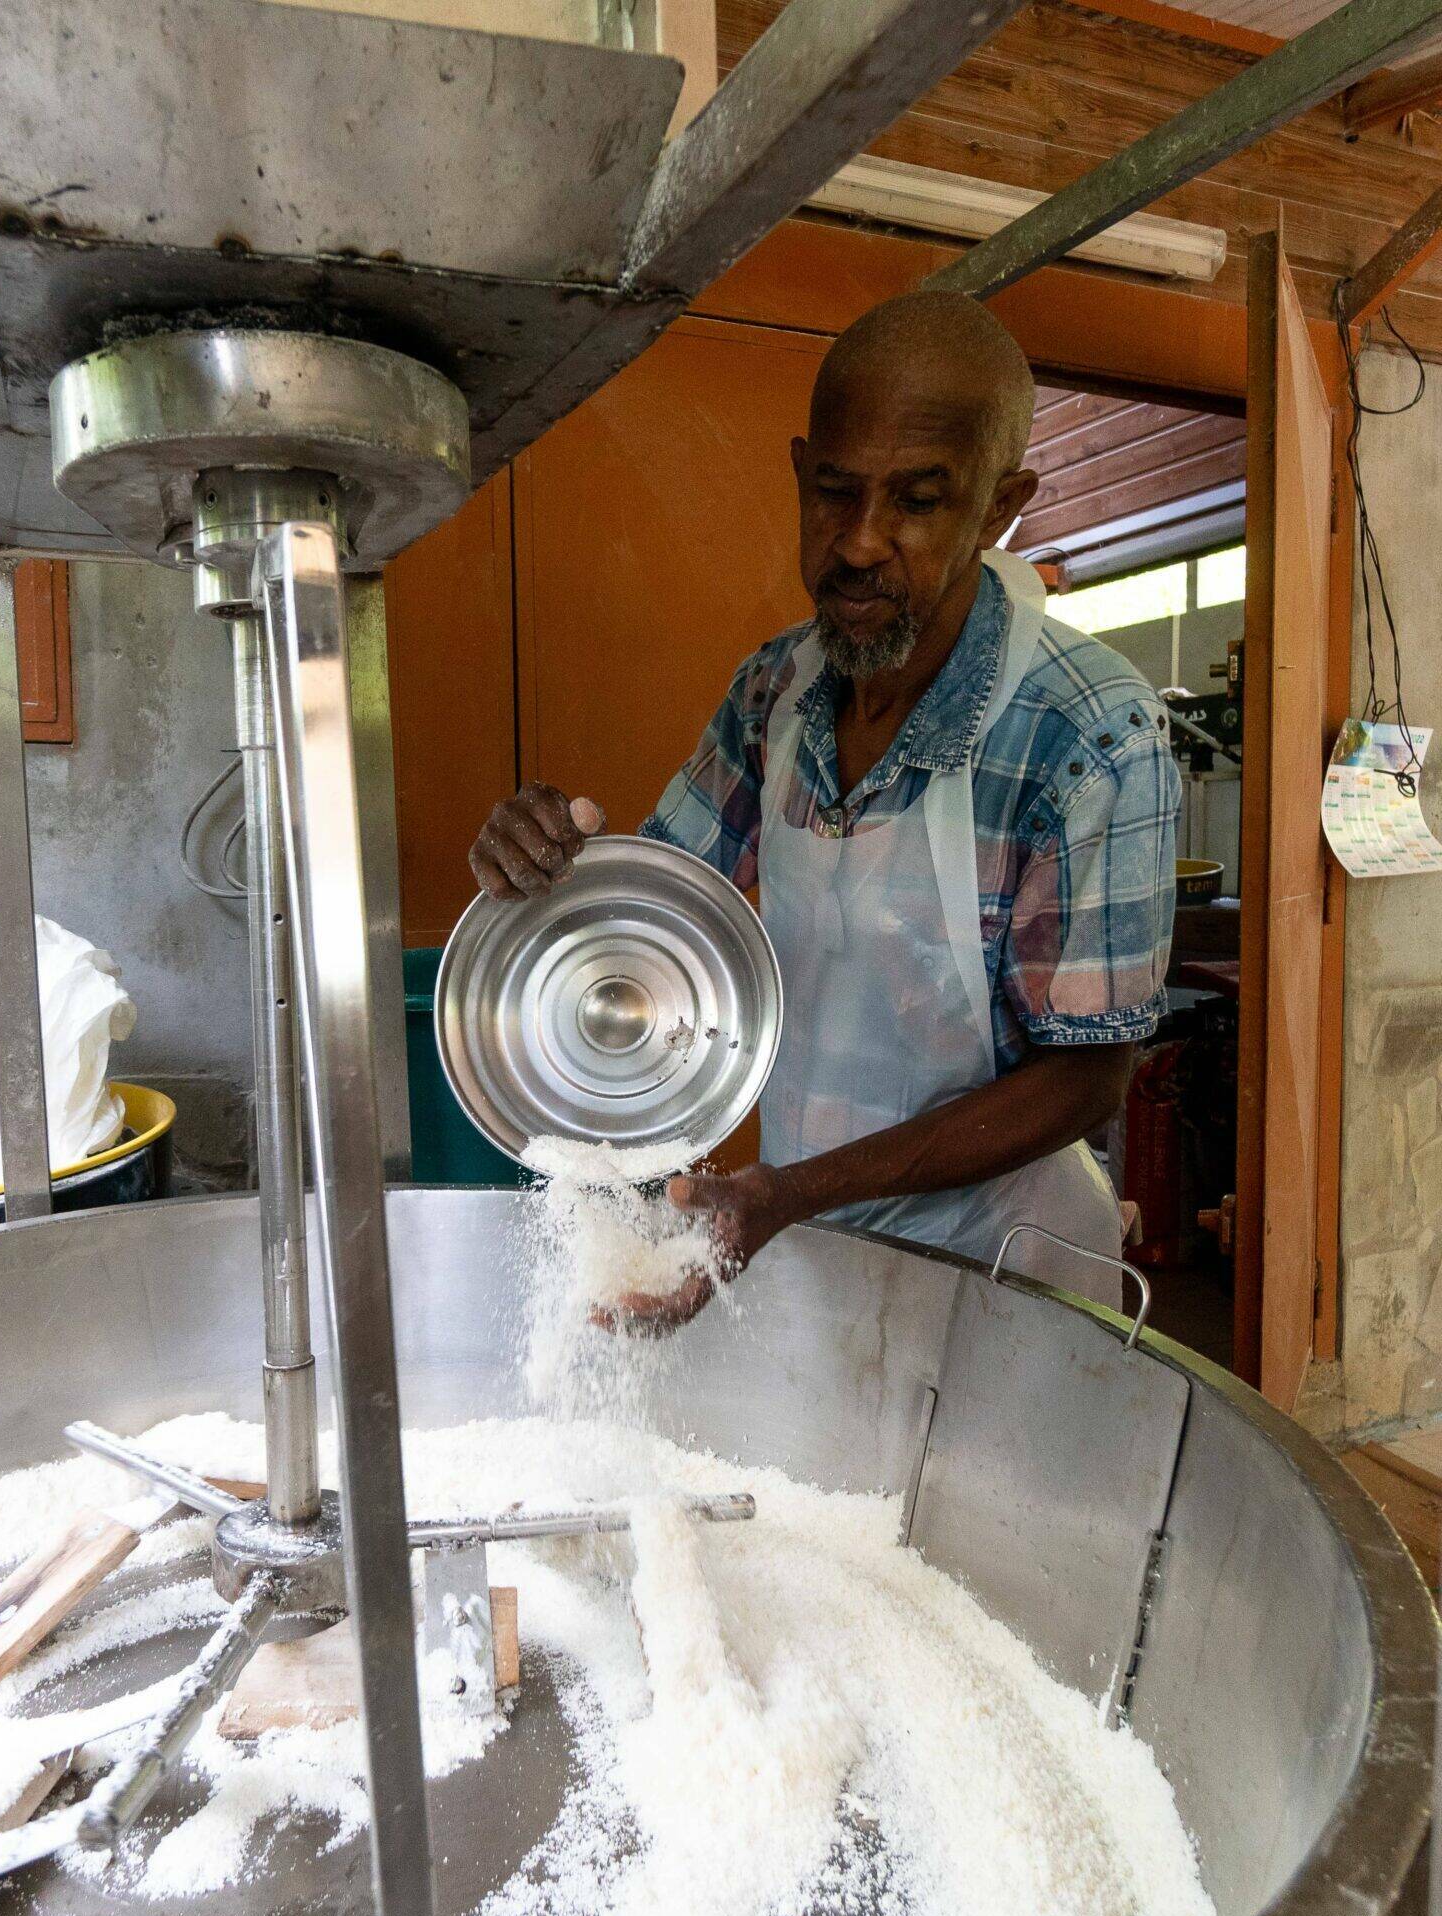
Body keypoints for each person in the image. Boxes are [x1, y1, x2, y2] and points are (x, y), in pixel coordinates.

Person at [468, 289, 1180, 1325]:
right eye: (835, 494)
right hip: (809, 1230)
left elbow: (1087, 1080)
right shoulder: (776, 695)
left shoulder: (1090, 736)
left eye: (919, 502)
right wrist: (541, 865)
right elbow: (654, 913)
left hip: (1003, 1263)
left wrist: (791, 1193)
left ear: (998, 505)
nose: (858, 543)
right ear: (802, 475)